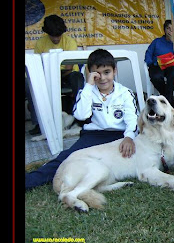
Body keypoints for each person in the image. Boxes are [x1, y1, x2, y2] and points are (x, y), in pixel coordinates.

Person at [26, 49, 139, 190]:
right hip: (93, 135)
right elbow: (81, 115)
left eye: (107, 72)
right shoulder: (86, 92)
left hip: (119, 136)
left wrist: (129, 137)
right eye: (97, 74)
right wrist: (89, 85)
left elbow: (132, 118)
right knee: (67, 158)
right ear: (90, 73)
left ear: (114, 71)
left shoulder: (125, 93)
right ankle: (29, 181)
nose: (103, 78)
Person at [27, 14, 84, 135]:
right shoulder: (40, 43)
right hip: (47, 77)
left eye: (58, 35)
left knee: (77, 77)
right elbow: (37, 66)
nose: (56, 39)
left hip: (67, 76)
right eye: (53, 36)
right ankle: (39, 123)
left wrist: (55, 74)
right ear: (47, 33)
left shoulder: (69, 42)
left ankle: (81, 119)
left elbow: (68, 68)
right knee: (31, 85)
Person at [144, 20, 174, 109]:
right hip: (157, 65)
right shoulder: (157, 41)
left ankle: (165, 99)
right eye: (168, 28)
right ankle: (169, 100)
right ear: (165, 30)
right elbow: (148, 53)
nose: (170, 31)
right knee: (156, 77)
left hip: (170, 66)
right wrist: (150, 63)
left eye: (172, 29)